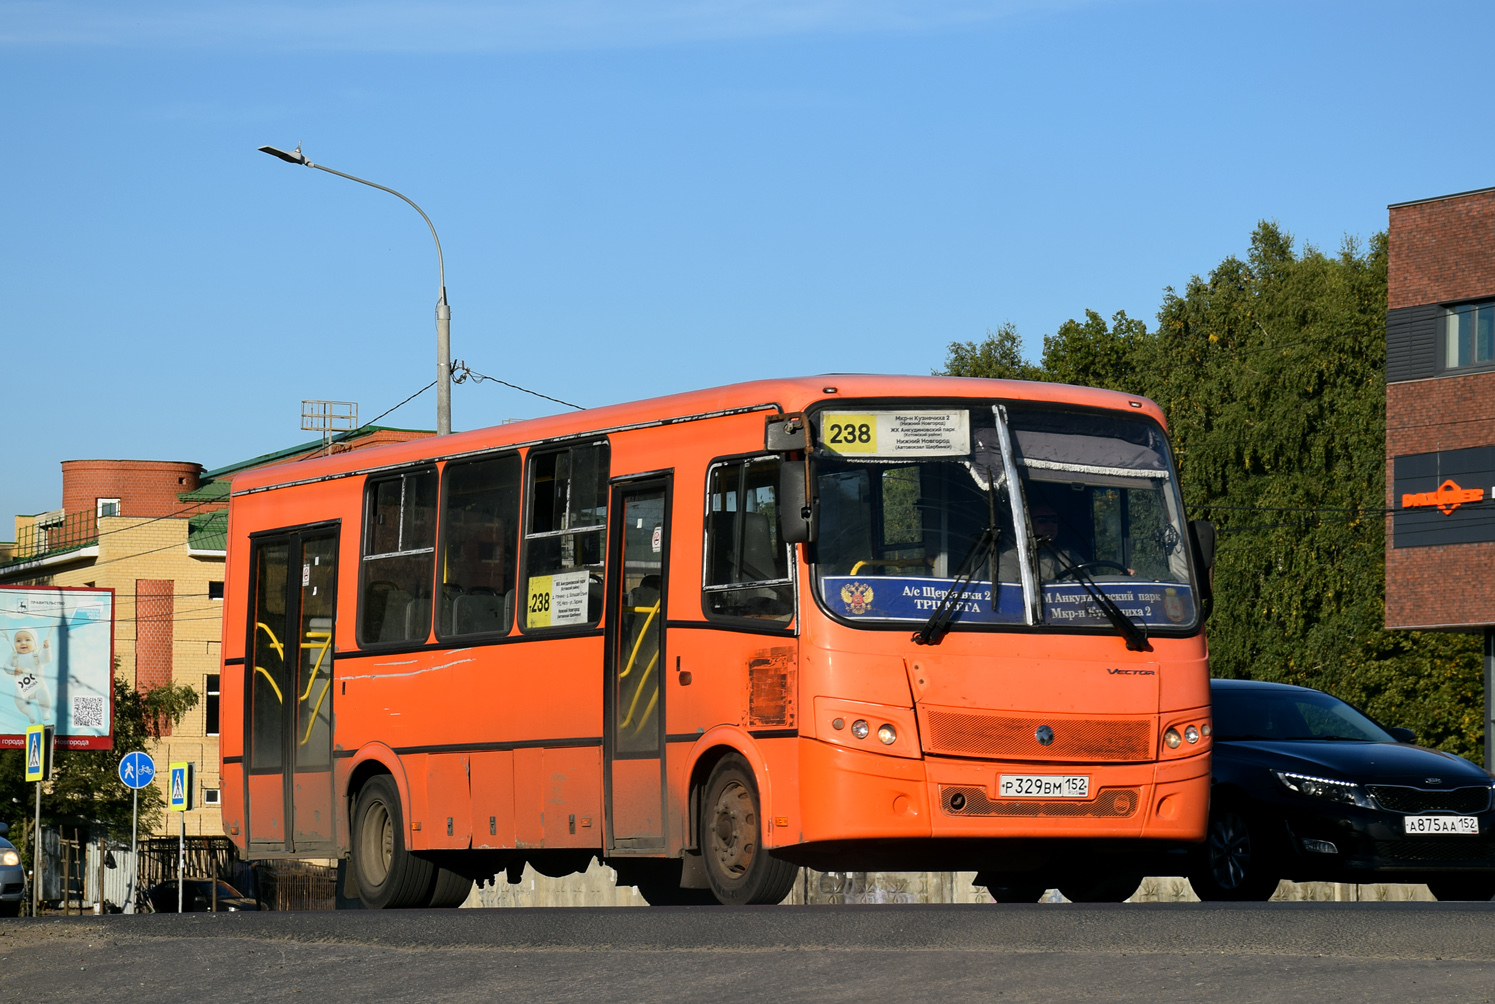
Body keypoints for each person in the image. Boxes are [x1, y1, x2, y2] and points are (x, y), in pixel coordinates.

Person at [3, 628, 53, 725]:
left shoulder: (36, 654)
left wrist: (46, 649)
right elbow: (6, 666)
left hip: (38, 685)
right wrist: (13, 670)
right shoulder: (14, 656)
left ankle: (45, 712)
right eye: (18, 641)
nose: (23, 643)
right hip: (22, 687)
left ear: (35, 642)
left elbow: (46, 660)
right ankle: (30, 714)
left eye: (27, 640)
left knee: (45, 696)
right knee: (18, 701)